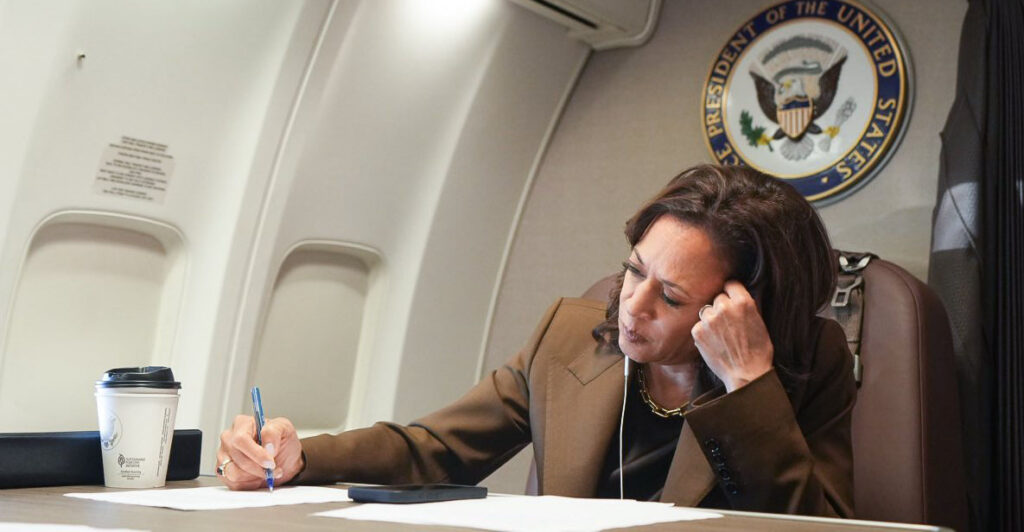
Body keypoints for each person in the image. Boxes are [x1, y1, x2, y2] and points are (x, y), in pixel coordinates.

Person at [217, 164, 855, 516]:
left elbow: (816, 523)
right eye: (635, 270)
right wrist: (300, 459)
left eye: (671, 297)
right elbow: (436, 448)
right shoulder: (572, 334)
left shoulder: (800, 365)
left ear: (739, 309)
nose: (630, 307)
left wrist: (748, 387)